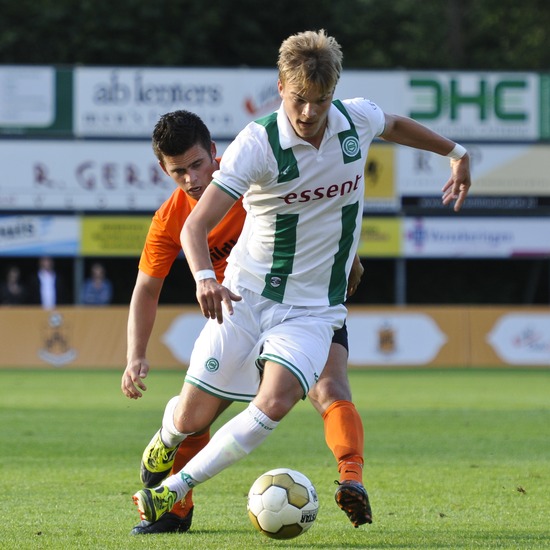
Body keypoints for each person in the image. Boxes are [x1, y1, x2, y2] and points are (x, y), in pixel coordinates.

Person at [132, 29, 471, 530]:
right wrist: (204, 277)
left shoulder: (356, 119)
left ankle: (175, 489)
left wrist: (457, 152)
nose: (309, 112)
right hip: (245, 297)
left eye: (321, 99)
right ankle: (168, 433)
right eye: (298, 99)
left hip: (313, 308)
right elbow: (194, 226)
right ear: (280, 86)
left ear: (334, 92)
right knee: (191, 418)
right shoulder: (257, 143)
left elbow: (396, 124)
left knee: (276, 401)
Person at [121, 109, 367, 534]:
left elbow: (322, 208)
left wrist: (351, 256)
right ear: (163, 170)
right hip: (241, 308)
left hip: (307, 302)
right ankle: (176, 502)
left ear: (215, 153)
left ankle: (351, 479)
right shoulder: (170, 219)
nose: (191, 179)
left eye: (198, 165)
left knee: (330, 389)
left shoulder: (254, 171)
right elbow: (146, 288)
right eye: (178, 172)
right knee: (195, 417)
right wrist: (135, 355)